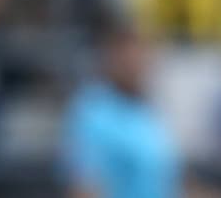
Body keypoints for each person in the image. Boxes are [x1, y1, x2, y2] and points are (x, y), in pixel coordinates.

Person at [62, 18, 182, 198]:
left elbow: (170, 182)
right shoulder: (91, 111)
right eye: (126, 53)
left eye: (141, 52)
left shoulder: (150, 110)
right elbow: (83, 188)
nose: (134, 62)